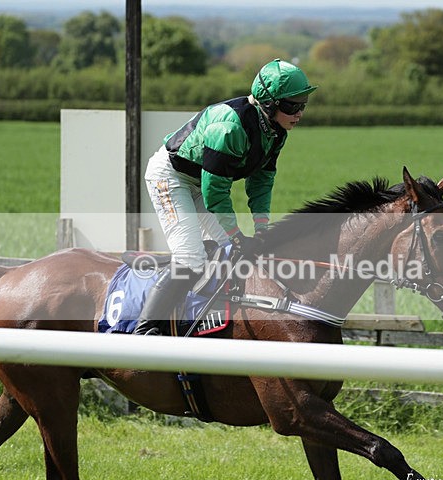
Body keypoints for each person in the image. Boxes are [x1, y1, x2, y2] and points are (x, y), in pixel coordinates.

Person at [134, 58, 317, 335]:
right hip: (171, 178)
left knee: (233, 254)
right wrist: (236, 234)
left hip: (201, 182)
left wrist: (262, 228)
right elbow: (215, 193)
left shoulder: (276, 132)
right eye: (292, 106)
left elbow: (261, 182)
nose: (300, 113)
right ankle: (144, 328)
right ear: (269, 104)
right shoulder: (229, 128)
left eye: (303, 104)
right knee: (190, 257)